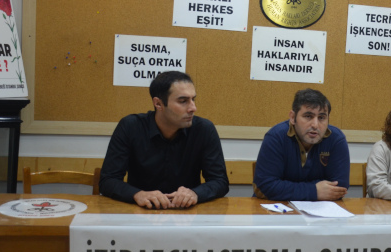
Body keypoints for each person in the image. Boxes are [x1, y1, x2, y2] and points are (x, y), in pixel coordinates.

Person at [99, 71, 229, 209]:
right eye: (183, 101)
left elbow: (220, 181)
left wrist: (195, 193)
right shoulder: (130, 127)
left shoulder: (204, 129)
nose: (193, 108)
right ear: (158, 104)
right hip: (141, 211)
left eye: (193, 99)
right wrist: (137, 194)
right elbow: (108, 180)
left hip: (187, 213)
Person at [254, 88, 350, 201]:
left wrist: (285, 187)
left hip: (320, 210)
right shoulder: (276, 137)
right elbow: (265, 186)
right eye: (308, 116)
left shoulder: (336, 139)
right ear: (293, 117)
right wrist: (314, 191)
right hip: (275, 208)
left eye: (321, 117)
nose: (315, 125)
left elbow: (340, 187)